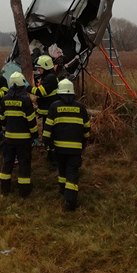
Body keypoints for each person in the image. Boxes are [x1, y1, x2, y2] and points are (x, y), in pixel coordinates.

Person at [42, 78, 91, 211]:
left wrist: (48, 145)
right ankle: (70, 201)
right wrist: (85, 142)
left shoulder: (54, 107)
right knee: (72, 173)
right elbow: (87, 128)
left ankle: (63, 191)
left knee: (62, 169)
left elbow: (47, 130)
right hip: (75, 149)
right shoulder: (81, 108)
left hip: (59, 148)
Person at [0, 72, 38, 197]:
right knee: (24, 164)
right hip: (24, 140)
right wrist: (35, 135)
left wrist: (6, 131)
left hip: (9, 138)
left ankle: (4, 188)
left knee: (7, 162)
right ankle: (24, 191)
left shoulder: (5, 99)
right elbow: (31, 120)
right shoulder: (26, 100)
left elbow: (2, 118)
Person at [26, 55, 59, 165]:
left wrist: (28, 87)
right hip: (47, 112)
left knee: (49, 135)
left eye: (40, 68)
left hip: (50, 113)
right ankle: (51, 155)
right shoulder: (48, 77)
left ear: (46, 67)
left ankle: (53, 158)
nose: (38, 70)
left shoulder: (50, 78)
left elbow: (41, 92)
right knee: (47, 134)